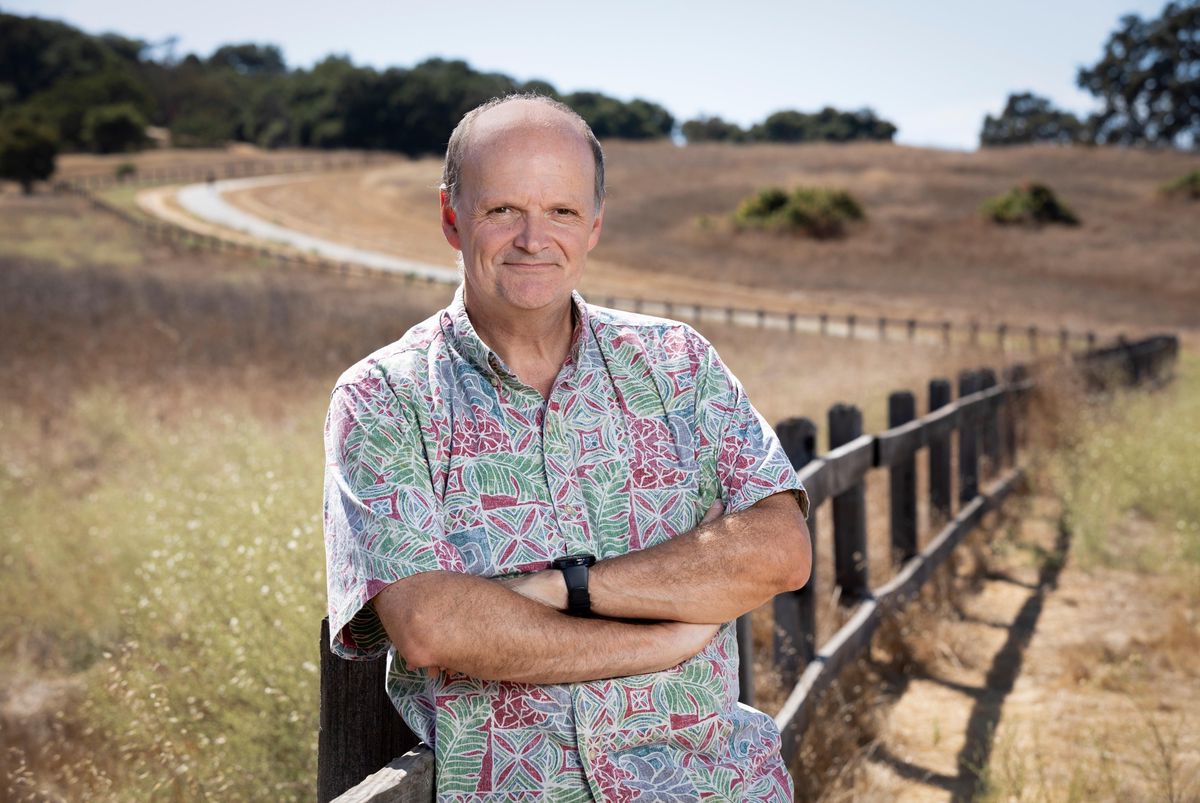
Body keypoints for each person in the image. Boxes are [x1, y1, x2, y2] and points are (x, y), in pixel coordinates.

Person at [323, 93, 812, 801]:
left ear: (595, 225)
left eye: (561, 211)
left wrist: (563, 588)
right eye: (503, 210)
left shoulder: (677, 364)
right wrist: (657, 638)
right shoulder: (385, 400)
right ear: (451, 217)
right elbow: (430, 623)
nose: (532, 238)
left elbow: (779, 549)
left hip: (713, 786)